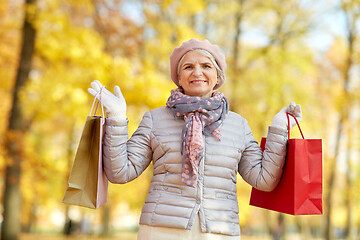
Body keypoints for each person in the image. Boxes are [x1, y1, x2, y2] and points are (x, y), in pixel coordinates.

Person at [88, 38, 302, 240]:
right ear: (179, 77)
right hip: (162, 230)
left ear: (218, 77)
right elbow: (120, 172)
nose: (197, 72)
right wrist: (116, 118)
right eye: (188, 67)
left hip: (220, 231)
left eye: (206, 66)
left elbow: (263, 180)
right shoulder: (155, 119)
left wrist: (279, 129)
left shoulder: (238, 125)